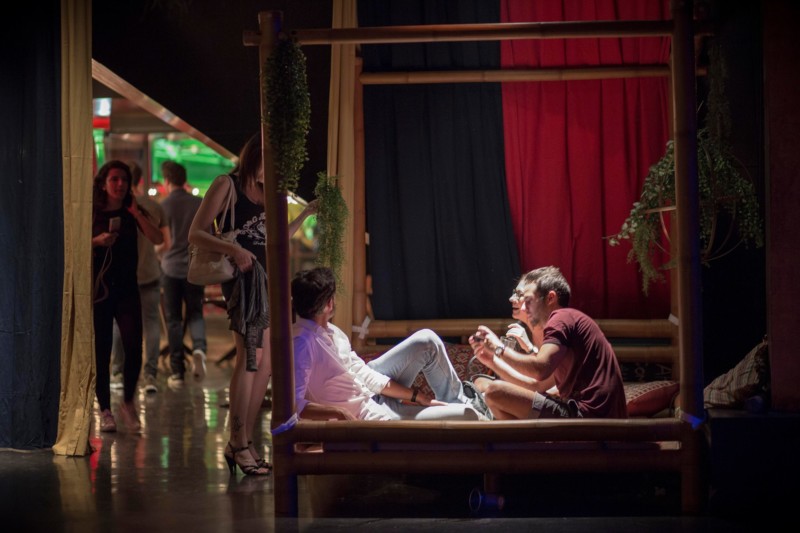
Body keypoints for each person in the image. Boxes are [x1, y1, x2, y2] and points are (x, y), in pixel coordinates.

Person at [188, 133, 317, 475]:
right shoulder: (226, 184)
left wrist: (305, 214)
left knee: (265, 362)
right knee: (250, 359)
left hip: (266, 281)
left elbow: (272, 238)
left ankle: (244, 440)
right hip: (242, 281)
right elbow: (196, 232)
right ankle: (237, 441)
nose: (271, 172)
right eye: (268, 164)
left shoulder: (266, 193)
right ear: (255, 157)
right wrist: (234, 249)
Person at [291, 267, 482, 422]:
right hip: (367, 414)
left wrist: (417, 396)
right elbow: (294, 403)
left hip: (373, 393)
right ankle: (472, 410)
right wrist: (339, 413)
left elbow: (363, 373)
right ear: (329, 304)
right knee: (468, 415)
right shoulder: (302, 343)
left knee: (427, 340)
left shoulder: (333, 331)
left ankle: (460, 401)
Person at [470, 266, 627, 420]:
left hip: (589, 417)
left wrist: (498, 348)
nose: (523, 307)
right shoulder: (565, 327)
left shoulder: (561, 317)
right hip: (593, 417)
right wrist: (492, 361)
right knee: (494, 395)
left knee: (495, 392)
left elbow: (540, 369)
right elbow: (536, 385)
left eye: (528, 300)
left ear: (550, 298)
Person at [91, 160, 164, 432]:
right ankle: (105, 410)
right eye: (114, 179)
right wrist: (97, 241)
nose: (120, 184)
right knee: (102, 350)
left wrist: (136, 213)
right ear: (103, 183)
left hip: (128, 289)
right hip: (100, 291)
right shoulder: (93, 211)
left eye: (124, 179)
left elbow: (157, 238)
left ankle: (128, 403)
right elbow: (75, 244)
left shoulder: (132, 210)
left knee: (134, 347)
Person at [110, 161, 169, 394]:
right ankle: (150, 375)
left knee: (119, 323)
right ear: (140, 179)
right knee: (151, 324)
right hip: (150, 273)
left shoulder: (116, 207)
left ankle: (117, 371)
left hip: (124, 276)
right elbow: (164, 241)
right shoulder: (154, 207)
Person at [160, 160, 207, 388]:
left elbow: (162, 241)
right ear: (184, 179)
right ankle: (199, 348)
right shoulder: (198, 204)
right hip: (194, 268)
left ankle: (177, 372)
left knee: (174, 320)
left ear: (167, 181)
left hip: (170, 268)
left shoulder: (164, 206)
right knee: (196, 313)